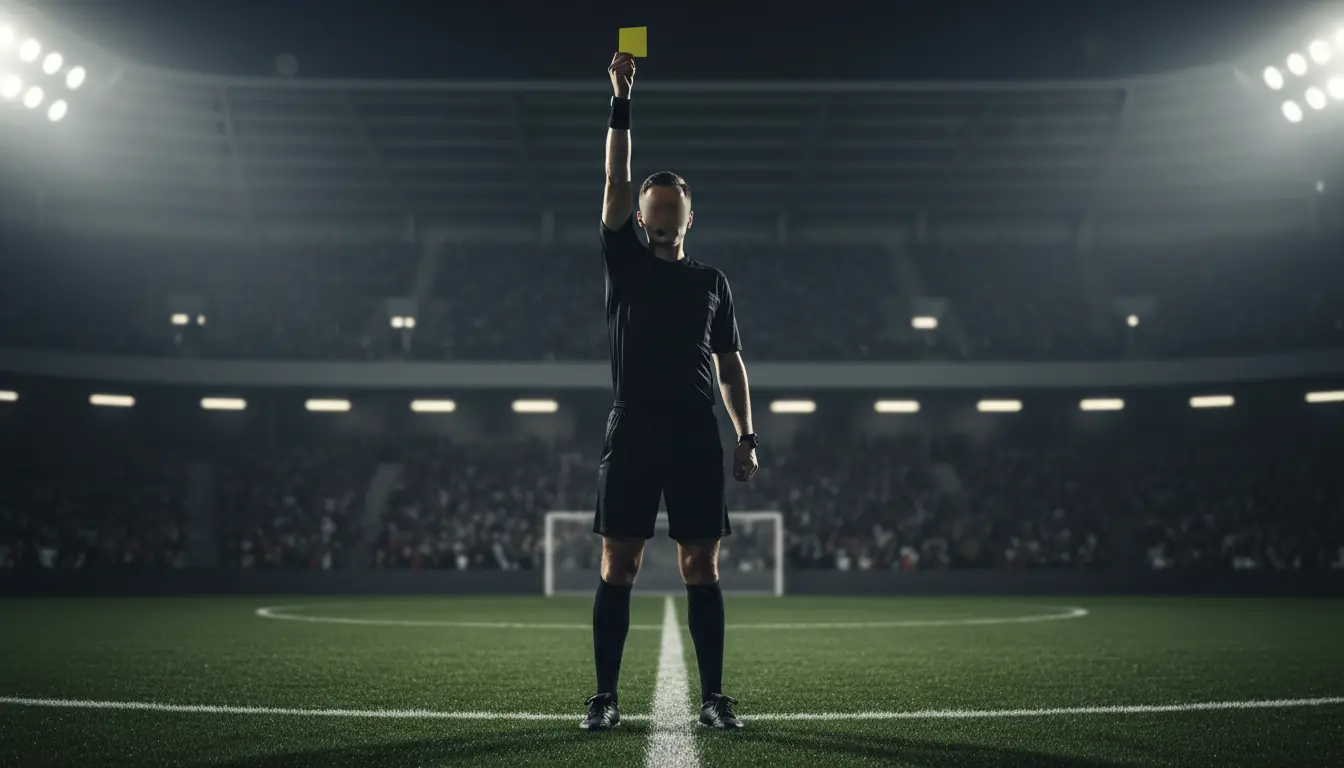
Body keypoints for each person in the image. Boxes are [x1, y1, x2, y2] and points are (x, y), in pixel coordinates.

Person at [581, 51, 758, 732]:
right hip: (632, 428)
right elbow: (614, 174)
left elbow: (732, 365)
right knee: (617, 561)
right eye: (649, 207)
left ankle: (713, 696)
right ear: (640, 216)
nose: (657, 215)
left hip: (693, 431)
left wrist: (745, 433)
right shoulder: (623, 263)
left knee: (700, 562)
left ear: (688, 216)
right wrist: (621, 99)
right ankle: (605, 696)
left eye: (669, 207)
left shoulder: (712, 282)